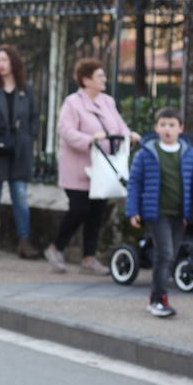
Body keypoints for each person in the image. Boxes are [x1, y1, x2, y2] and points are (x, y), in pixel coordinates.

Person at [45, 58, 140, 274]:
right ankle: (56, 247)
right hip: (78, 169)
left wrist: (129, 135)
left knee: (97, 213)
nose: (104, 79)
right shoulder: (72, 103)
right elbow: (66, 131)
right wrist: (89, 139)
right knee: (79, 210)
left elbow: (118, 125)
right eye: (100, 76)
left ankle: (89, 257)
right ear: (86, 80)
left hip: (102, 169)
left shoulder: (107, 102)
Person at [126, 107, 193, 318]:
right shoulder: (146, 153)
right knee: (164, 254)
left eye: (172, 125)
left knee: (170, 255)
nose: (167, 129)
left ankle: (156, 297)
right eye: (163, 124)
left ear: (180, 128)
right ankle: (158, 300)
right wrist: (133, 211)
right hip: (156, 213)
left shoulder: (189, 154)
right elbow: (135, 184)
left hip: (179, 214)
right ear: (156, 128)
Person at [0, 44, 41, 259]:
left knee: (21, 197)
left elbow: (35, 116)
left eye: (5, 60)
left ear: (14, 62)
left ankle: (24, 242)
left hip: (20, 151)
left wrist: (29, 136)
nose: (1, 65)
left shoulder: (27, 88)